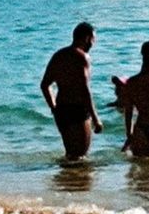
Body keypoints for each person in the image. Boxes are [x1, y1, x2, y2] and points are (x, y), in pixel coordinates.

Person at [40, 22, 104, 160]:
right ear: (86, 38)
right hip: (77, 110)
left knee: (70, 154)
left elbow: (45, 85)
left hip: (61, 110)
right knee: (81, 155)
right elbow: (84, 90)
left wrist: (53, 108)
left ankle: (66, 180)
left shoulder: (58, 56)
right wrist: (95, 118)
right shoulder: (82, 57)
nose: (93, 44)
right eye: (93, 39)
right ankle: (77, 181)